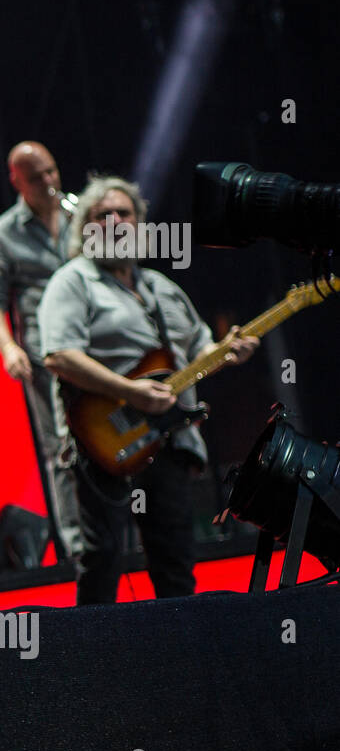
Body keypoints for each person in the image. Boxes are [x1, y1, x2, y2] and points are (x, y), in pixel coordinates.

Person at [38, 175, 258, 605]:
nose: (116, 221)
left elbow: (201, 351)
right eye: (104, 215)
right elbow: (60, 356)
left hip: (169, 442)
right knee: (101, 559)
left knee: (175, 560)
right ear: (86, 227)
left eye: (125, 213)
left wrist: (230, 350)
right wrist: (132, 392)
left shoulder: (163, 288)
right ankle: (93, 663)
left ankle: (182, 659)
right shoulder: (73, 281)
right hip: (106, 442)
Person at [0, 141, 85, 570]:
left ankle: (130, 539)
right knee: (62, 450)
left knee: (122, 442)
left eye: (52, 172)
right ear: (16, 180)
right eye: (37, 177)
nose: (49, 182)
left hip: (100, 347)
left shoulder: (81, 216)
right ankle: (78, 549)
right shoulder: (2, 234)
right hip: (48, 358)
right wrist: (7, 346)